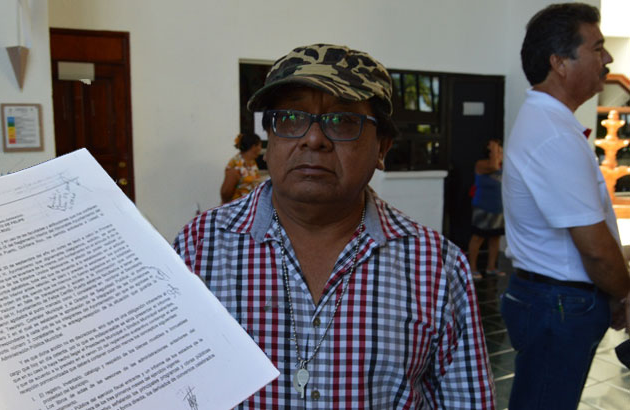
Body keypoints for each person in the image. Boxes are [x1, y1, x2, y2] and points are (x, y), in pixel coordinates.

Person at [175, 44, 494, 408]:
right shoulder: (199, 248)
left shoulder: (436, 266)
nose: (313, 139)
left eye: (342, 121)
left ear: (382, 148)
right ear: (269, 140)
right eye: (290, 118)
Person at [501, 3, 630, 409]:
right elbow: (594, 246)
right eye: (597, 48)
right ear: (559, 62)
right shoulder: (552, 134)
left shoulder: (553, 125)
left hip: (556, 300)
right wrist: (625, 294)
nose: (607, 59)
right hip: (557, 304)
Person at [468, 139, 505, 279]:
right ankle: (472, 268)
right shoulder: (482, 164)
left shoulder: (503, 166)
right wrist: (494, 147)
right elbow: (494, 166)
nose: (500, 154)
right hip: (483, 207)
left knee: (495, 237)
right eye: (497, 151)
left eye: (500, 151)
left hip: (498, 208)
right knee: (478, 237)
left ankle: (491, 267)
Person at [220, 133, 263, 204]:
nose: (260, 149)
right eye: (260, 145)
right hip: (236, 208)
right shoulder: (236, 166)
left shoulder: (251, 162)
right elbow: (225, 194)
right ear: (253, 146)